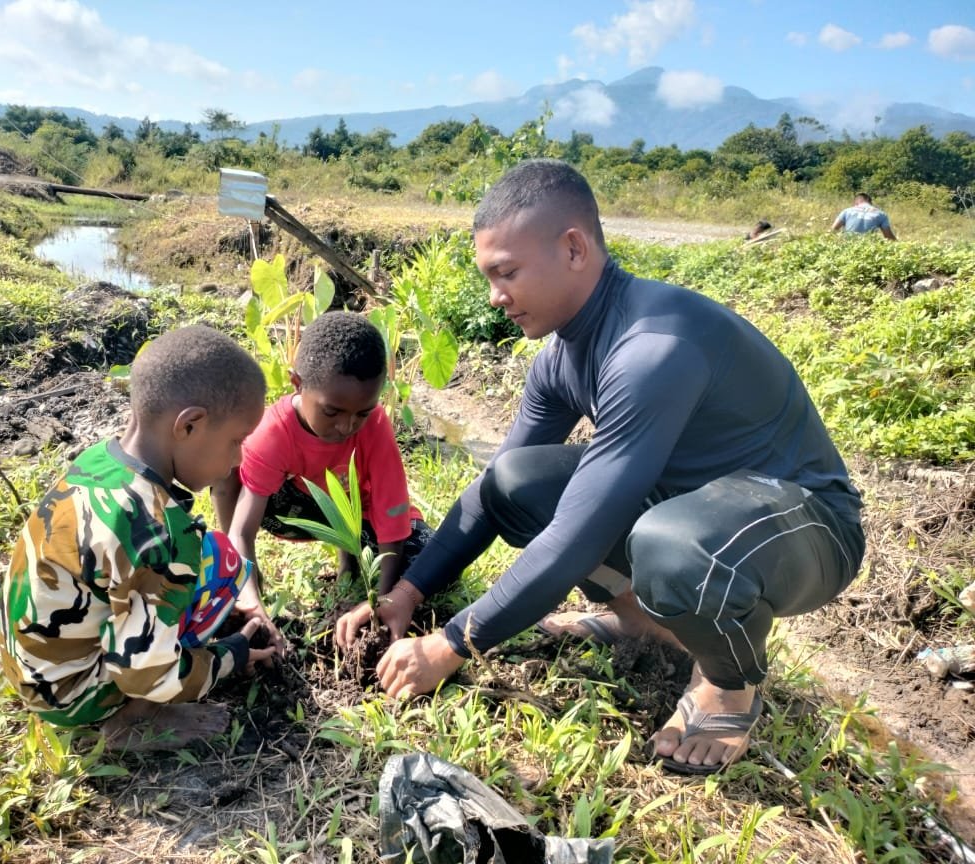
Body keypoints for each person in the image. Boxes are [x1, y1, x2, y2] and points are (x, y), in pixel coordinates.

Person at [336, 159, 865, 776]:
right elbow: (491, 495)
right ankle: (640, 616)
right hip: (691, 513)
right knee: (514, 484)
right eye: (488, 276)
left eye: (507, 273)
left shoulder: (652, 348)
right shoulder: (560, 358)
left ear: (574, 248)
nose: (495, 296)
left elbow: (576, 535)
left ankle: (730, 682)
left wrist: (452, 643)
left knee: (669, 546)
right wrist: (407, 591)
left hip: (803, 525)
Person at [0, 325, 279, 752]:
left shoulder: (99, 462)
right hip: (70, 696)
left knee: (215, 556)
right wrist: (230, 656)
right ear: (189, 426)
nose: (239, 458)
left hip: (31, 667)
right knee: (204, 570)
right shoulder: (158, 530)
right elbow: (148, 674)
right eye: (236, 441)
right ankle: (133, 719)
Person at [213, 310, 432, 600]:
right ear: (297, 384)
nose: (347, 426)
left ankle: (350, 565)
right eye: (332, 412)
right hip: (297, 511)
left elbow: (392, 513)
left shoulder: (375, 425)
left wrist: (386, 600)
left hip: (362, 518)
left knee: (430, 562)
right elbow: (242, 530)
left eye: (362, 413)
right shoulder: (273, 434)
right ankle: (243, 575)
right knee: (229, 470)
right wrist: (252, 602)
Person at [831, 193, 896, 240]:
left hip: (848, 247)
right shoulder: (881, 214)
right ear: (869, 201)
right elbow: (888, 237)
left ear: (855, 203)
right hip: (867, 249)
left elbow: (833, 230)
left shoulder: (847, 211)